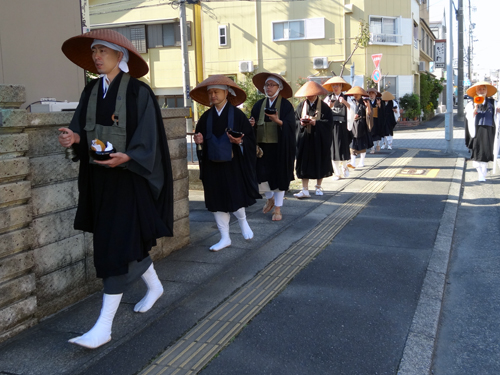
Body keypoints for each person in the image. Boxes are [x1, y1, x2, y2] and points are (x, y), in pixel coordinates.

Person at [58, 29, 174, 349]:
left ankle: (104, 327)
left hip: (129, 180)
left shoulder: (139, 92)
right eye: (94, 51)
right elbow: (83, 130)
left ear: (119, 56)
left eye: (102, 52)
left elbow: (149, 138)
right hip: (100, 180)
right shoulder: (92, 90)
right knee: (124, 243)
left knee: (114, 249)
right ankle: (155, 288)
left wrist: (129, 156)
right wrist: (75, 139)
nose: (96, 56)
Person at [191, 75, 260, 250]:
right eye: (210, 92)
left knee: (234, 195)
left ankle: (243, 221)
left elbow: (250, 140)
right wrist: (199, 142)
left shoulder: (237, 115)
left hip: (233, 165)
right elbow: (200, 140)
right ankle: (225, 237)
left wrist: (241, 142)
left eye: (216, 91)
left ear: (227, 93)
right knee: (216, 201)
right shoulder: (206, 117)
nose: (213, 95)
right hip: (212, 165)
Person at [249, 73, 296, 220]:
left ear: (279, 87)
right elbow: (253, 123)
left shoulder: (286, 106)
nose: (268, 88)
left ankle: (277, 209)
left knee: (279, 178)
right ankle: (269, 198)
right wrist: (251, 125)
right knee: (261, 177)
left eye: (271, 85)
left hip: (279, 148)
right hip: (262, 149)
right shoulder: (258, 105)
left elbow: (291, 126)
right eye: (266, 85)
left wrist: (278, 120)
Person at [293, 81, 333, 198]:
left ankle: (318, 186)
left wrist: (316, 123)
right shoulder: (300, 106)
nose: (309, 96)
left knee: (319, 161)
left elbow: (329, 123)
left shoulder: (324, 107)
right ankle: (304, 189)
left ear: (316, 94)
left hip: (318, 139)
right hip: (304, 139)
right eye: (307, 94)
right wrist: (301, 123)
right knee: (303, 162)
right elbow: (294, 121)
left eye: (311, 94)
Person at [464, 81, 500, 181]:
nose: (481, 91)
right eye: (479, 89)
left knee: (487, 152)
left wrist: (498, 111)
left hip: (489, 129)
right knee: (477, 151)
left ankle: (483, 171)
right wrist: (474, 109)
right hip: (476, 130)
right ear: (476, 91)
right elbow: (468, 116)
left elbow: (497, 115)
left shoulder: (493, 103)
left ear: (486, 91)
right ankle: (480, 172)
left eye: (483, 89)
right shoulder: (471, 103)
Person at [322, 76, 354, 179]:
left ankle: (344, 167)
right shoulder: (328, 98)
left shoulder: (347, 97)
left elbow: (353, 108)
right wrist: (329, 107)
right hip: (332, 125)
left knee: (343, 147)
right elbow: (323, 110)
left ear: (341, 86)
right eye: (333, 86)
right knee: (333, 149)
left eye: (337, 85)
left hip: (343, 125)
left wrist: (344, 102)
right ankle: (337, 172)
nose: (335, 87)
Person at [344, 86, 373, 168]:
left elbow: (369, 114)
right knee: (352, 143)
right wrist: (353, 116)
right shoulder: (351, 101)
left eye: (357, 94)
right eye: (354, 94)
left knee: (362, 144)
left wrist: (368, 106)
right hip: (353, 124)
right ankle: (353, 162)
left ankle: (362, 161)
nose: (355, 95)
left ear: (360, 94)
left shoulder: (365, 102)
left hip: (362, 124)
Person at [366, 88, 383, 154]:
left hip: (377, 120)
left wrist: (379, 105)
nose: (371, 95)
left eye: (372, 94)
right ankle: (372, 148)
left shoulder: (378, 101)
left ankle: (378, 144)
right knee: (370, 134)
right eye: (370, 94)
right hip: (370, 120)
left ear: (375, 95)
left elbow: (382, 110)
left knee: (378, 133)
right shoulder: (367, 101)